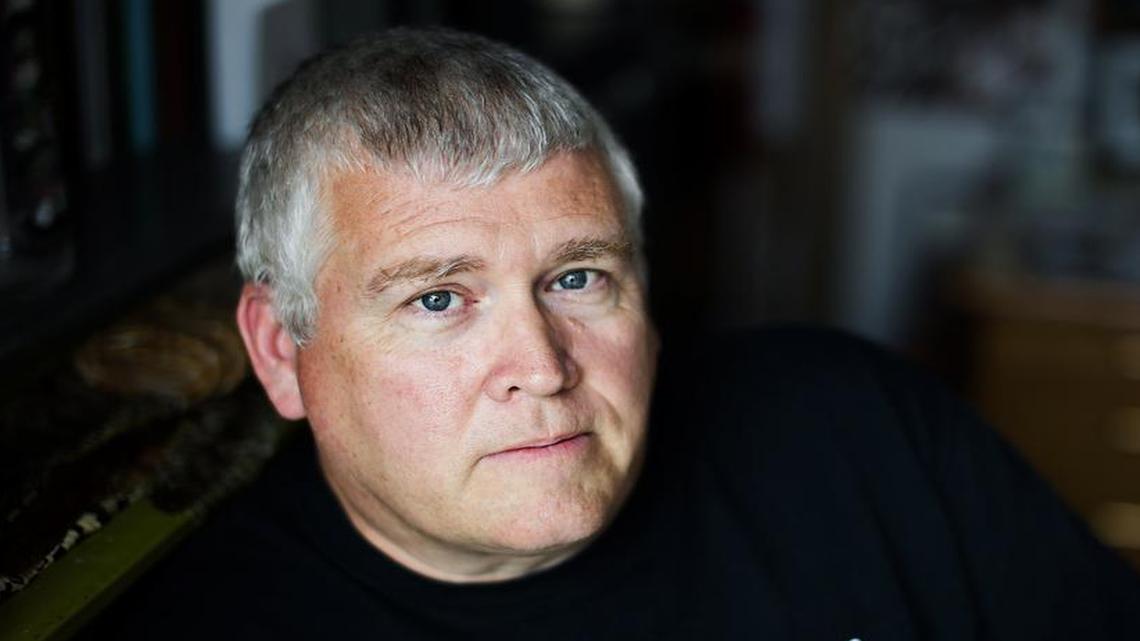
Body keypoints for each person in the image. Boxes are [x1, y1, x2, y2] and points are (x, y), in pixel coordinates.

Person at [93, 27, 1140, 639]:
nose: (542, 368)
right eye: (438, 299)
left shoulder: (858, 427)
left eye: (578, 276)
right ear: (283, 348)